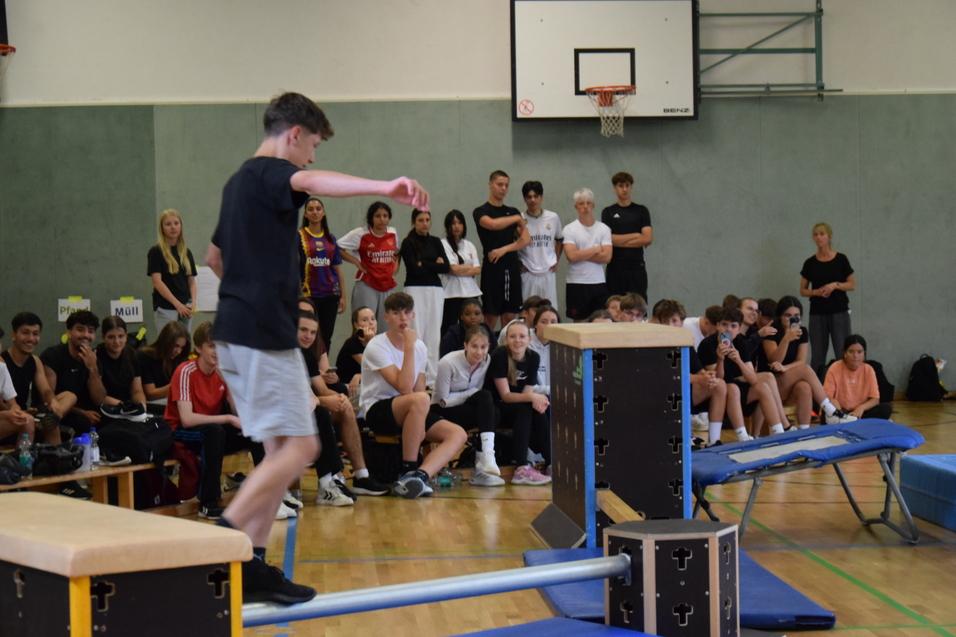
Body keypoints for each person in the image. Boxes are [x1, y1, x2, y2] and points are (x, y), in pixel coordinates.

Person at [204, 92, 430, 604]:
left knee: (280, 452)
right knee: (304, 447)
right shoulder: (270, 172)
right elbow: (309, 182)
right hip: (263, 332)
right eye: (312, 146)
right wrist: (385, 187)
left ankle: (254, 567)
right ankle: (229, 530)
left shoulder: (237, 184)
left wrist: (254, 283)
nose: (311, 158)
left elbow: (214, 257)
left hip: (235, 329)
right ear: (292, 135)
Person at [359, 292, 468, 498]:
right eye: (396, 312)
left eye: (406, 312)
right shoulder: (377, 346)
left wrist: (419, 423)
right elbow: (404, 388)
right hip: (378, 410)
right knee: (420, 399)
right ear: (386, 317)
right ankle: (407, 471)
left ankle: (420, 475)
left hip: (409, 407)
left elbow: (418, 389)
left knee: (457, 434)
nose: (402, 318)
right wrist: (408, 347)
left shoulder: (420, 346)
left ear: (413, 316)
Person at [164, 322, 271, 519]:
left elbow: (238, 412)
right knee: (215, 432)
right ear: (198, 348)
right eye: (212, 346)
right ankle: (208, 502)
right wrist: (228, 418)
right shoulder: (185, 371)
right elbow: (186, 419)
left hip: (212, 429)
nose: (218, 352)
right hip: (180, 431)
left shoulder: (221, 373)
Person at [297, 311, 389, 501]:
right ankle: (331, 478)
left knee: (342, 406)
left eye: (313, 332)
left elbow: (320, 388)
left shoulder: (306, 354)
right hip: (290, 412)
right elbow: (289, 397)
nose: (308, 336)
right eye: (303, 330)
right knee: (321, 413)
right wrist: (325, 400)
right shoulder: (283, 354)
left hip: (309, 405)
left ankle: (361, 475)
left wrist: (338, 399)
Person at [652, 301, 751, 444]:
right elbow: (665, 377)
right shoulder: (656, 345)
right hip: (663, 393)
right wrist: (698, 379)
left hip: (687, 391)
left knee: (719, 384)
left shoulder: (686, 344)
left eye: (674, 321)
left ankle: (714, 439)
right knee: (727, 386)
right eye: (665, 321)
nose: (670, 325)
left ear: (681, 323)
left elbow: (700, 371)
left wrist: (707, 376)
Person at [761, 296, 856, 428]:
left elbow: (800, 361)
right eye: (787, 315)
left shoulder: (802, 331)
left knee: (804, 387)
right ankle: (830, 411)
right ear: (780, 316)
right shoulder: (772, 331)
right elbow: (775, 360)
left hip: (787, 380)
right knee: (805, 369)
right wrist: (786, 339)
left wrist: (785, 368)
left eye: (796, 316)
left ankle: (804, 430)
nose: (792, 319)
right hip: (771, 384)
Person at [698, 307, 789, 438]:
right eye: (724, 324)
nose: (728, 329)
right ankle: (742, 436)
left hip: (737, 388)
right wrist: (720, 359)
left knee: (762, 386)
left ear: (739, 328)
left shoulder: (740, 341)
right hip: (717, 392)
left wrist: (739, 360)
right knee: (733, 388)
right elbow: (718, 380)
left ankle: (779, 431)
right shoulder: (707, 345)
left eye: (733, 326)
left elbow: (752, 379)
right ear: (717, 325)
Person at [431, 326, 502, 487]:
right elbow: (443, 400)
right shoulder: (447, 363)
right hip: (442, 411)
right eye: (474, 346)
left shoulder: (486, 360)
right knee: (484, 398)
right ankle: (487, 457)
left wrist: (472, 393)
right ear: (465, 345)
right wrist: (472, 392)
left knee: (495, 412)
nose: (479, 352)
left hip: (465, 407)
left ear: (489, 347)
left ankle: (482, 464)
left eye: (483, 347)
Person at [486, 320, 551, 484]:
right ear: (506, 339)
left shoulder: (533, 357)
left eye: (522, 336)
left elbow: (526, 392)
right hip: (497, 407)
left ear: (529, 339)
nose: (517, 340)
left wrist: (535, 399)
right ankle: (521, 467)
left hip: (518, 404)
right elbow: (506, 395)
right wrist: (532, 398)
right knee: (527, 407)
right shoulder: (500, 355)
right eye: (512, 336)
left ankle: (550, 461)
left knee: (540, 407)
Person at [2, 312, 76, 442]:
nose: (31, 338)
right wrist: (18, 413)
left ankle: (56, 456)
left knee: (69, 396)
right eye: (25, 333)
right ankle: (23, 460)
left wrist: (52, 402)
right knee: (31, 421)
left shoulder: (35, 361)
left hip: (24, 412)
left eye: (35, 334)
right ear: (13, 335)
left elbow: (46, 390)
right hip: (7, 417)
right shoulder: (2, 361)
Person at [473, 170, 530, 331]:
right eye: (499, 184)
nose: (503, 188)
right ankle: (487, 352)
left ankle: (508, 352)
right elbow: (492, 224)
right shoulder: (481, 211)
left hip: (511, 267)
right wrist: (518, 218)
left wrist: (505, 249)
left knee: (510, 316)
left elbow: (526, 239)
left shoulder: (512, 211)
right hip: (492, 267)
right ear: (490, 185)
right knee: (490, 316)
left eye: (506, 185)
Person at [399, 208, 449, 385]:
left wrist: (424, 263)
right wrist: (434, 263)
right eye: (421, 220)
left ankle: (433, 378)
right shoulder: (408, 242)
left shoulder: (435, 241)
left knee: (434, 333)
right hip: (415, 288)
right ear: (414, 222)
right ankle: (416, 375)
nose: (425, 223)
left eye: (427, 219)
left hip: (435, 289)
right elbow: (414, 269)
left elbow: (446, 267)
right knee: (417, 331)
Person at [800, 222, 856, 374]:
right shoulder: (810, 263)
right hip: (817, 313)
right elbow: (803, 291)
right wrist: (816, 292)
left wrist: (835, 285)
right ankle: (817, 393)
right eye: (816, 234)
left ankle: (845, 392)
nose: (818, 237)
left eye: (822, 234)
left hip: (839, 312)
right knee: (817, 356)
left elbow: (851, 284)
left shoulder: (841, 259)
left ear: (829, 236)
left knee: (842, 352)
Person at [41, 310, 107, 433]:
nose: (86, 335)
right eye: (80, 329)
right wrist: (82, 412)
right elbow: (48, 398)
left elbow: (99, 399)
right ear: (69, 332)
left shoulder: (94, 359)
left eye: (91, 331)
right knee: (81, 421)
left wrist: (92, 368)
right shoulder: (52, 355)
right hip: (54, 410)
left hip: (84, 413)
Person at [338, 202, 401, 329]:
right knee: (365, 326)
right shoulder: (360, 234)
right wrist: (356, 262)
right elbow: (337, 247)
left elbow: (397, 252)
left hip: (387, 286)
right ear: (371, 218)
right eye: (378, 216)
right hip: (367, 284)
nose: (382, 219)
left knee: (386, 328)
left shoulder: (393, 233)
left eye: (385, 216)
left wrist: (395, 267)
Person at [298, 196, 346, 351]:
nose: (314, 212)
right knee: (306, 336)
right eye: (310, 209)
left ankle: (323, 372)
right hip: (308, 296)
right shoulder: (298, 237)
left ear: (323, 213)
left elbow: (338, 269)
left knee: (325, 336)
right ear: (305, 214)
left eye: (318, 209)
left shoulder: (330, 239)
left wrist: (343, 296)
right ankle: (307, 372)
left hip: (330, 296)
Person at [563, 188, 612, 321]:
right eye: (581, 203)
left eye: (588, 203)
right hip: (576, 283)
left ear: (593, 205)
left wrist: (581, 254)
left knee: (600, 321)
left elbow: (607, 257)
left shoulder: (604, 229)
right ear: (576, 207)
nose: (585, 207)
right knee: (579, 322)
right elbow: (571, 256)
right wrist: (595, 249)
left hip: (598, 282)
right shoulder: (569, 229)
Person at [601, 171, 652, 300]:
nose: (624, 189)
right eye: (621, 186)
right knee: (615, 307)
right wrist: (635, 235)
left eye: (627, 185)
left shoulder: (641, 210)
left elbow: (647, 238)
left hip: (637, 267)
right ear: (615, 188)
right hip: (615, 268)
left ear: (631, 187)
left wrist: (620, 240)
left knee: (638, 307)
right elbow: (608, 239)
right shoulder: (608, 212)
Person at [148, 208, 197, 332]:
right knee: (168, 346)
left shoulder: (186, 252)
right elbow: (157, 282)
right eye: (168, 224)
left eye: (176, 223)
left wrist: (194, 303)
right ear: (162, 228)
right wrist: (177, 304)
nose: (173, 227)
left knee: (184, 345)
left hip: (186, 307)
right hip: (166, 308)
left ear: (181, 226)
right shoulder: (156, 251)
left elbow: (191, 281)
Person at [519, 181, 563, 311]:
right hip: (528, 272)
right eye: (529, 197)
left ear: (541, 197)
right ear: (525, 199)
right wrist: (519, 264)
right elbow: (514, 244)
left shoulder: (553, 217)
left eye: (536, 196)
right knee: (528, 310)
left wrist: (556, 259)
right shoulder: (519, 219)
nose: (533, 200)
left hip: (548, 272)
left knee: (549, 310)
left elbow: (560, 239)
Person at [824, 335, 891, 419]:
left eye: (859, 352)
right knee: (826, 411)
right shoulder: (835, 367)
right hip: (840, 411)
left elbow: (875, 399)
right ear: (845, 353)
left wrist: (861, 408)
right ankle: (854, 422)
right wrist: (840, 412)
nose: (855, 356)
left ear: (864, 354)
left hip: (860, 412)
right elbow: (827, 397)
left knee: (885, 409)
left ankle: (852, 422)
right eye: (851, 351)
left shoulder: (868, 370)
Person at [439, 209, 482, 336]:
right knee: (449, 326)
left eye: (459, 223)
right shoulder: (443, 244)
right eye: (453, 223)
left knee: (472, 327)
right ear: (448, 226)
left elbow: (478, 269)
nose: (456, 226)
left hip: (471, 292)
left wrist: (459, 268)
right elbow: (452, 269)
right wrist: (468, 268)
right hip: (451, 293)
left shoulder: (469, 245)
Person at [96, 316, 147, 418]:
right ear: (103, 337)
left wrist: (142, 407)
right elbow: (98, 396)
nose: (117, 342)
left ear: (126, 336)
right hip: (105, 408)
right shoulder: (96, 356)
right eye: (111, 337)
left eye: (121, 336)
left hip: (127, 408)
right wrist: (124, 406)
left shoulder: (132, 354)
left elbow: (137, 391)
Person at [137, 321, 191, 403]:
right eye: (176, 346)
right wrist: (178, 385)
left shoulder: (181, 358)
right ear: (166, 341)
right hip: (153, 404)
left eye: (182, 347)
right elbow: (150, 394)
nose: (178, 351)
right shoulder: (145, 356)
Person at [335, 306, 376, 400]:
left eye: (373, 319)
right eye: (365, 320)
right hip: (348, 387)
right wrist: (371, 342)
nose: (371, 323)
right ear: (356, 325)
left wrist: (360, 376)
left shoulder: (380, 341)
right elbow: (374, 369)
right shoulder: (352, 343)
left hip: (364, 384)